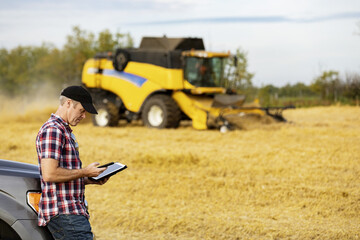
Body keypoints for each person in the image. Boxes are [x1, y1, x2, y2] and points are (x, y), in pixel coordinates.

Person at [35, 85, 108, 240]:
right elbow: (50, 174)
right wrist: (85, 171)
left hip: (70, 212)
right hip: (65, 213)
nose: (83, 116)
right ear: (68, 103)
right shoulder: (53, 130)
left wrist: (90, 179)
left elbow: (63, 177)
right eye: (81, 110)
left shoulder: (63, 131)